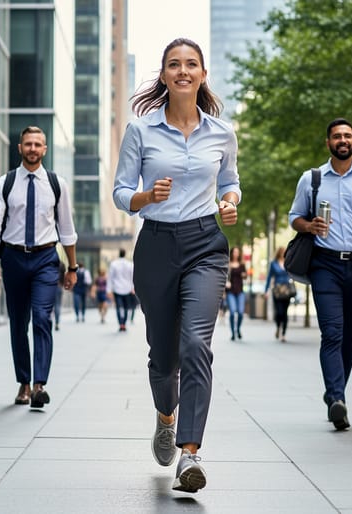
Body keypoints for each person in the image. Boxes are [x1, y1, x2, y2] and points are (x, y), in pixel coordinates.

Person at [112, 37, 240, 493]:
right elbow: (122, 193)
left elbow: (230, 180)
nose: (183, 71)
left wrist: (229, 202)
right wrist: (147, 197)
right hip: (157, 245)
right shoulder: (140, 131)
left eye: (191, 64)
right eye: (173, 64)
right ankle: (166, 416)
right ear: (164, 75)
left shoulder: (222, 132)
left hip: (206, 244)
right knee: (164, 359)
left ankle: (190, 454)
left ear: (203, 74)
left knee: (195, 346)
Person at [288, 118, 352, 432]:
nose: (342, 140)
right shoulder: (312, 179)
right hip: (324, 264)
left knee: (349, 336)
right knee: (332, 333)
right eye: (337, 136)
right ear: (328, 143)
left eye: (347, 135)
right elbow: (295, 217)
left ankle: (337, 394)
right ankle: (337, 397)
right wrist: (309, 226)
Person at [0, 125, 79, 408]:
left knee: (41, 318)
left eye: (38, 144)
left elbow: (67, 230)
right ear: (20, 148)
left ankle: (39, 385)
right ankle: (23, 382)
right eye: (28, 144)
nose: (33, 149)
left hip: (46, 259)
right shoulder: (5, 183)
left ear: (45, 149)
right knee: (18, 323)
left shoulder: (57, 184)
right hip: (12, 258)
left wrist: (72, 267)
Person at [264, 246, 293, 342]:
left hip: (287, 290)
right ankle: (278, 327)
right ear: (279, 253)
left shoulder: (289, 262)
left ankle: (283, 334)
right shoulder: (273, 263)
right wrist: (266, 290)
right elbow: (269, 277)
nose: (284, 253)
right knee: (279, 312)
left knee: (285, 312)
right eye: (282, 252)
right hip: (277, 290)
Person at [107, 248, 135, 332]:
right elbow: (132, 277)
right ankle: (124, 323)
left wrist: (109, 290)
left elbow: (110, 277)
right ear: (125, 254)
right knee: (126, 307)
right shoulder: (130, 264)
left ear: (119, 254)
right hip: (127, 289)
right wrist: (133, 288)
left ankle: (121, 323)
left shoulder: (113, 264)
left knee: (119, 307)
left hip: (117, 288)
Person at [226, 247, 247, 340]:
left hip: (240, 291)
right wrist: (226, 283)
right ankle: (232, 333)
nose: (236, 254)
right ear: (232, 253)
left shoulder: (242, 264)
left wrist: (244, 275)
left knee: (241, 312)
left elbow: (245, 276)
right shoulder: (228, 264)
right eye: (234, 252)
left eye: (237, 252)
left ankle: (237, 329)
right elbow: (224, 276)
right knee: (232, 312)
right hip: (230, 291)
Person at [54, 260, 66, 331]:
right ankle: (57, 323)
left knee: (47, 305)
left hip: (47, 285)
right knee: (57, 305)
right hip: (58, 285)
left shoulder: (47, 260)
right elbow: (63, 276)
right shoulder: (62, 264)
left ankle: (48, 322)